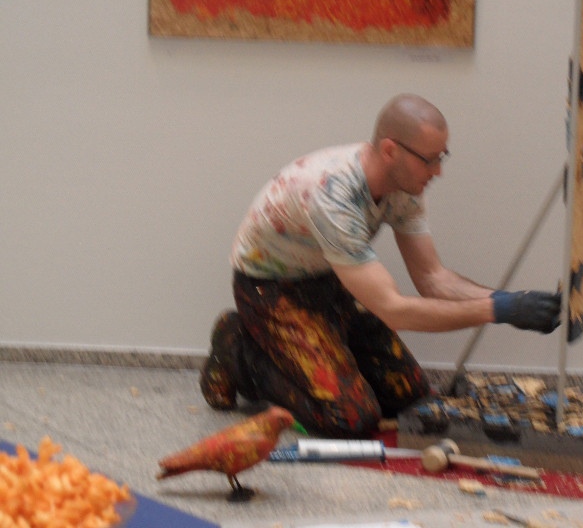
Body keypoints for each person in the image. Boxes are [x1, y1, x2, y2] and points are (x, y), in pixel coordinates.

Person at [200, 93, 562, 437]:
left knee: (408, 395)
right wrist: (496, 311)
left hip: (329, 278)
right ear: (390, 150)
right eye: (429, 159)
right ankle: (238, 350)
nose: (438, 171)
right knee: (350, 418)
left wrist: (511, 302)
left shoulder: (405, 187)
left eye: (442, 157)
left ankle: (325, 354)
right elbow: (393, 310)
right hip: (268, 289)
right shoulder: (332, 194)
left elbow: (433, 278)